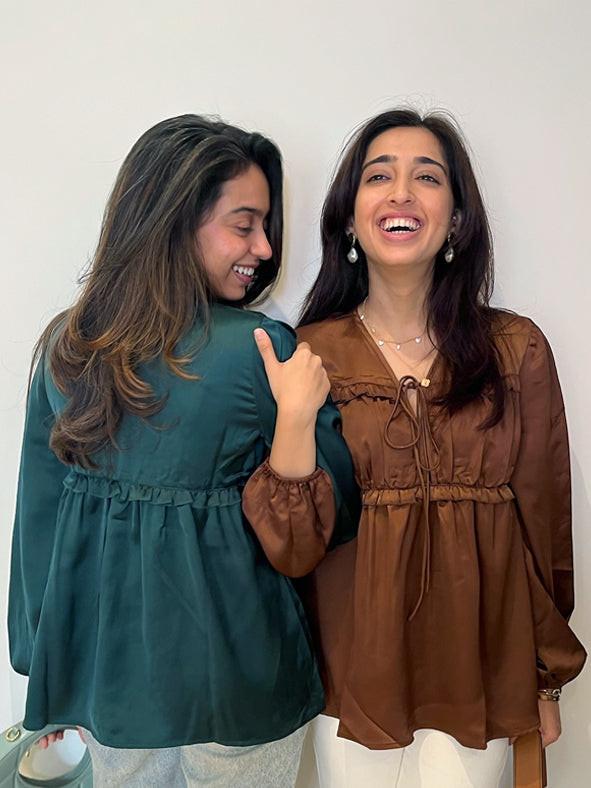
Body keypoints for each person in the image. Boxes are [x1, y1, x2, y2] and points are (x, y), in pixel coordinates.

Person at [8, 114, 360, 787]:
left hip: (111, 680)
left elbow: (39, 522)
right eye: (244, 222)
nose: (262, 246)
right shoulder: (260, 350)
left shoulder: (66, 347)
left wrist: (40, 658)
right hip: (239, 680)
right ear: (175, 220)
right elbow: (332, 517)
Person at [248, 108, 587, 787]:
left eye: (426, 177)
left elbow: (542, 523)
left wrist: (545, 678)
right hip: (352, 673)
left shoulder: (513, 349)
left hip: (483, 669)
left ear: (457, 219)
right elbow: (288, 546)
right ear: (348, 217)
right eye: (379, 176)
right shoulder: (304, 353)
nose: (400, 193)